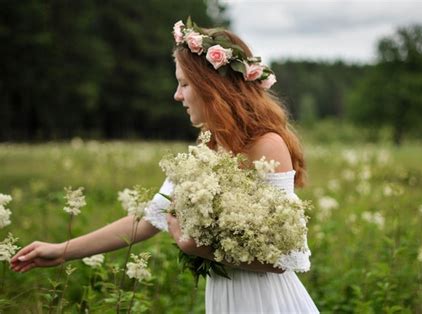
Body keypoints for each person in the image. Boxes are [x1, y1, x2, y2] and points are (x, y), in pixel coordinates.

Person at [11, 19, 319, 313]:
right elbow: (148, 219)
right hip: (225, 297)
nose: (177, 95)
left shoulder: (266, 144)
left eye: (184, 84)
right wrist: (62, 250)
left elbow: (284, 257)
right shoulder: (208, 145)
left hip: (267, 303)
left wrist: (200, 249)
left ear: (212, 86)